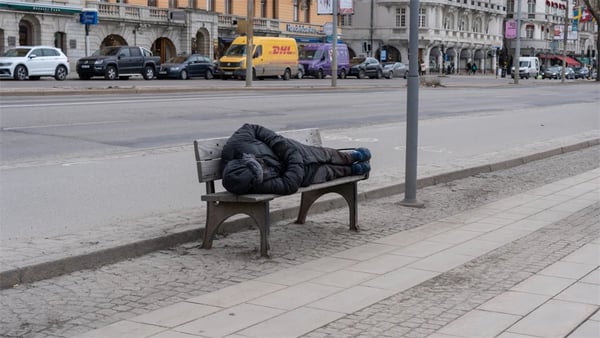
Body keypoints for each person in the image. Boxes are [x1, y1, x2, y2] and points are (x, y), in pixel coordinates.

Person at [221, 123, 371, 195]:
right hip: (303, 174)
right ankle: (353, 170)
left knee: (327, 154)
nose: (265, 170)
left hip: (292, 150)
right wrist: (295, 162)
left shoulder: (237, 144)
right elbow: (289, 185)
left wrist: (280, 146)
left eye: (260, 166)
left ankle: (352, 156)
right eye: (262, 174)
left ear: (245, 159)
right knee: (329, 172)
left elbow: (252, 128)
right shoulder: (253, 184)